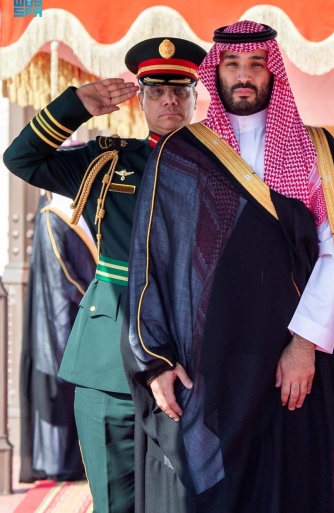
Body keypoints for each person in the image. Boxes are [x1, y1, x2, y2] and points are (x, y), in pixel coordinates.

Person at [122, 21, 334, 513]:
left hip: (293, 362)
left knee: (293, 489)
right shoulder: (181, 153)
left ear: (272, 74)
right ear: (215, 75)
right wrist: (156, 360)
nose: (243, 76)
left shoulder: (315, 148)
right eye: (232, 65)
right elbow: (152, 264)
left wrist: (302, 345)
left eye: (256, 65)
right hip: (211, 359)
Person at [3, 36, 206, 512]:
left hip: (189, 363)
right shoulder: (108, 159)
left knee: (183, 501)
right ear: (141, 99)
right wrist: (76, 107)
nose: (169, 101)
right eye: (156, 91)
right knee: (113, 502)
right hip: (107, 360)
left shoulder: (220, 172)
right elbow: (21, 160)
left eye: (180, 91)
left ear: (197, 98)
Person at [19, 191, 95, 482]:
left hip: (79, 310)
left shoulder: (74, 210)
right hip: (60, 316)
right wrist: (96, 292)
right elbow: (63, 272)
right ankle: (61, 464)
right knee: (60, 386)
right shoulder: (52, 215)